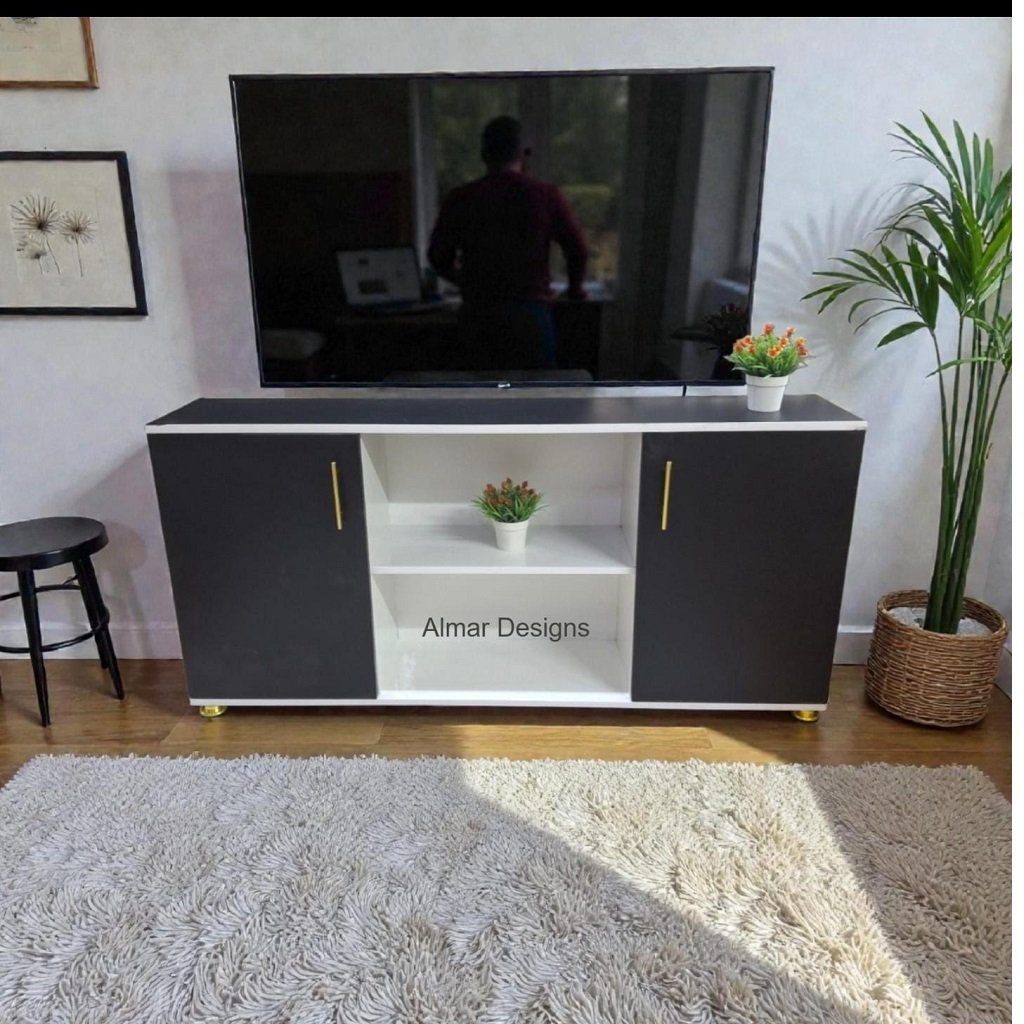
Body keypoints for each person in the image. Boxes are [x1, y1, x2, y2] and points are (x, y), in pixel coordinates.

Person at [428, 116, 588, 370]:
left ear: (484, 154)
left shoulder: (461, 198)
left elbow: (438, 256)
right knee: (536, 392)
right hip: (530, 317)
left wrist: (465, 281)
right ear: (524, 153)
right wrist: (575, 289)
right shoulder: (545, 195)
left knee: (480, 391)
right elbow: (577, 249)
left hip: (479, 317)